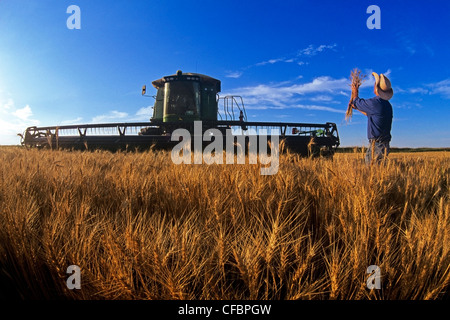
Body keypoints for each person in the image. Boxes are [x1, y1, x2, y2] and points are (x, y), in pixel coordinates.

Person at [351, 72, 393, 164]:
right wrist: (358, 109)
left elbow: (356, 102)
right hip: (384, 144)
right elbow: (371, 114)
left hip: (377, 145)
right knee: (379, 171)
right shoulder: (387, 105)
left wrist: (355, 91)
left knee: (371, 171)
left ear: (376, 87)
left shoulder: (375, 102)